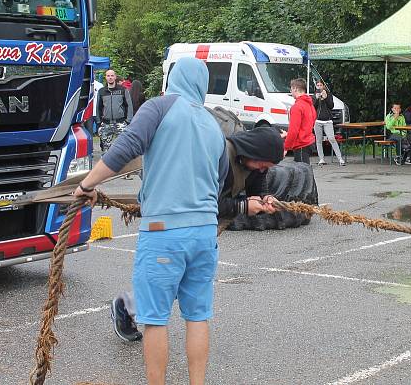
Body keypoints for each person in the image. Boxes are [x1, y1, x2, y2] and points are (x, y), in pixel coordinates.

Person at [73, 57, 227, 385]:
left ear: (173, 78)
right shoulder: (213, 124)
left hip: (163, 232)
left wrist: (87, 185)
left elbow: (124, 149)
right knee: (197, 316)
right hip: (203, 234)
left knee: (155, 320)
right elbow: (220, 181)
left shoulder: (159, 107)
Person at [109, 125, 288, 343]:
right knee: (168, 280)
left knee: (182, 281)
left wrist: (264, 197)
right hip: (181, 222)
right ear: (254, 151)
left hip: (206, 229)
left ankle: (130, 304)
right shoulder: (218, 154)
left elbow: (257, 186)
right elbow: (202, 201)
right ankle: (126, 305)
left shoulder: (256, 165)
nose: (262, 169)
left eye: (267, 167)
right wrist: (243, 207)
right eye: (263, 164)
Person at [96, 69, 134, 152]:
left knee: (124, 148)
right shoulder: (101, 91)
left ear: (115, 77)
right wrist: (99, 123)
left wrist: (128, 121)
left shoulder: (123, 90)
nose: (110, 77)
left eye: (112, 75)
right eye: (108, 76)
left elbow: (129, 106)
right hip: (106, 124)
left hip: (120, 123)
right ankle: (106, 164)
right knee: (105, 150)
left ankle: (122, 164)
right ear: (105, 77)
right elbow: (98, 107)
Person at [312, 80, 346, 166]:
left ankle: (340, 159)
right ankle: (321, 159)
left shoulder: (329, 94)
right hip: (318, 121)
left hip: (327, 121)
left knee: (332, 139)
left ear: (323, 86)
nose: (319, 87)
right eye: (318, 85)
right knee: (318, 140)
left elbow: (331, 106)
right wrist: (316, 98)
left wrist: (326, 97)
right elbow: (313, 107)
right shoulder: (314, 95)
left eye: (320, 85)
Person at [284, 78, 317, 163]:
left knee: (303, 174)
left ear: (295, 89)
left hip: (301, 144)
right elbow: (312, 121)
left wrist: (285, 147)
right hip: (308, 142)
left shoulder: (297, 107)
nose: (290, 92)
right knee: (305, 172)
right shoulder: (310, 104)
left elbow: (293, 130)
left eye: (291, 89)